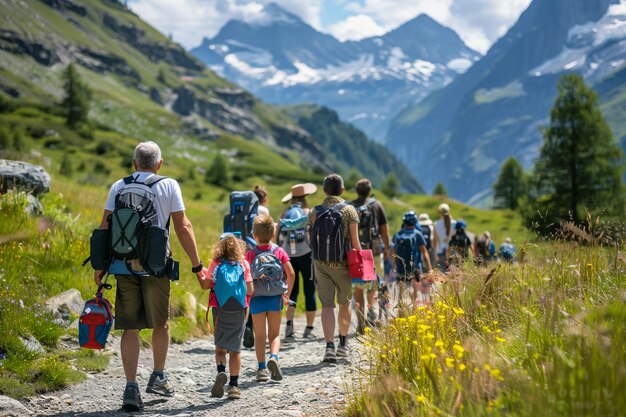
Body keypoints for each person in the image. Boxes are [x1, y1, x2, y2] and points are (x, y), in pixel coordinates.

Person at [93, 141, 209, 411]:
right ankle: (158, 376)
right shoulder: (169, 185)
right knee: (161, 322)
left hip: (123, 265)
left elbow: (105, 224)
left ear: (134, 164)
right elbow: (182, 225)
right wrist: (197, 265)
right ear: (159, 164)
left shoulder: (118, 186)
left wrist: (100, 264)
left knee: (130, 326)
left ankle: (131, 387)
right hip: (157, 265)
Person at [308, 174, 361, 363]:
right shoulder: (350, 210)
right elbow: (355, 243)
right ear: (343, 190)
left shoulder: (314, 211)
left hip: (321, 263)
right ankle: (343, 345)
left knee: (327, 305)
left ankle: (329, 347)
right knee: (345, 303)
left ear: (324, 190)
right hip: (344, 264)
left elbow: (310, 241)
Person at [197, 233, 253, 400]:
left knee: (220, 348)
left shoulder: (216, 263)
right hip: (239, 310)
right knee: (235, 350)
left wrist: (200, 273)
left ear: (220, 246)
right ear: (238, 246)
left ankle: (221, 372)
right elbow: (250, 291)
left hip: (219, 310)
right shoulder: (243, 263)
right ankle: (234, 386)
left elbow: (206, 285)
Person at [247, 215, 295, 382]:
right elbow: (291, 273)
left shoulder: (251, 254)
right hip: (275, 297)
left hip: (257, 299)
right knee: (274, 335)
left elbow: (245, 277)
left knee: (259, 336)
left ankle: (261, 369)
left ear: (254, 235)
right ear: (273, 233)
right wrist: (286, 293)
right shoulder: (279, 251)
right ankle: (273, 357)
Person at [277, 183, 318, 339]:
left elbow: (278, 236)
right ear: (305, 197)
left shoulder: (285, 213)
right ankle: (309, 329)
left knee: (291, 291)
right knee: (309, 291)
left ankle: (289, 326)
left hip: (288, 257)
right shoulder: (307, 212)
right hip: (306, 255)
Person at [350, 178, 390, 333]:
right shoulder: (376, 205)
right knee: (374, 283)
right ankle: (372, 311)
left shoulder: (351, 207)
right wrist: (386, 248)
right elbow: (384, 230)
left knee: (358, 287)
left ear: (357, 191)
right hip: (373, 251)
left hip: (356, 252)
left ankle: (360, 323)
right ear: (369, 190)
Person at [392, 211, 433, 310]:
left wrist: (394, 265)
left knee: (400, 293)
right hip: (415, 269)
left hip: (401, 269)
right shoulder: (417, 234)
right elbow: (425, 252)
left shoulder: (398, 234)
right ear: (415, 222)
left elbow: (393, 251)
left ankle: (401, 312)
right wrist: (430, 268)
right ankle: (415, 311)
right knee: (416, 291)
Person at [433, 203, 456, 272]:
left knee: (442, 275)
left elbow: (435, 241)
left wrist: (435, 254)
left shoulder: (436, 224)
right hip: (453, 252)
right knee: (453, 275)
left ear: (440, 213)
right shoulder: (455, 223)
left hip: (441, 252)